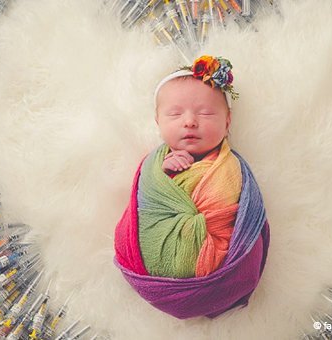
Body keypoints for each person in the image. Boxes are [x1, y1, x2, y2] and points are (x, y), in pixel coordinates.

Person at [114, 55, 270, 319]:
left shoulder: (228, 167)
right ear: (158, 122)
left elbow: (236, 209)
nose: (189, 121)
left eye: (206, 113)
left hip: (221, 267)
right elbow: (147, 202)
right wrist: (163, 173)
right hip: (154, 258)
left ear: (227, 122)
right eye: (175, 114)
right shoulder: (155, 165)